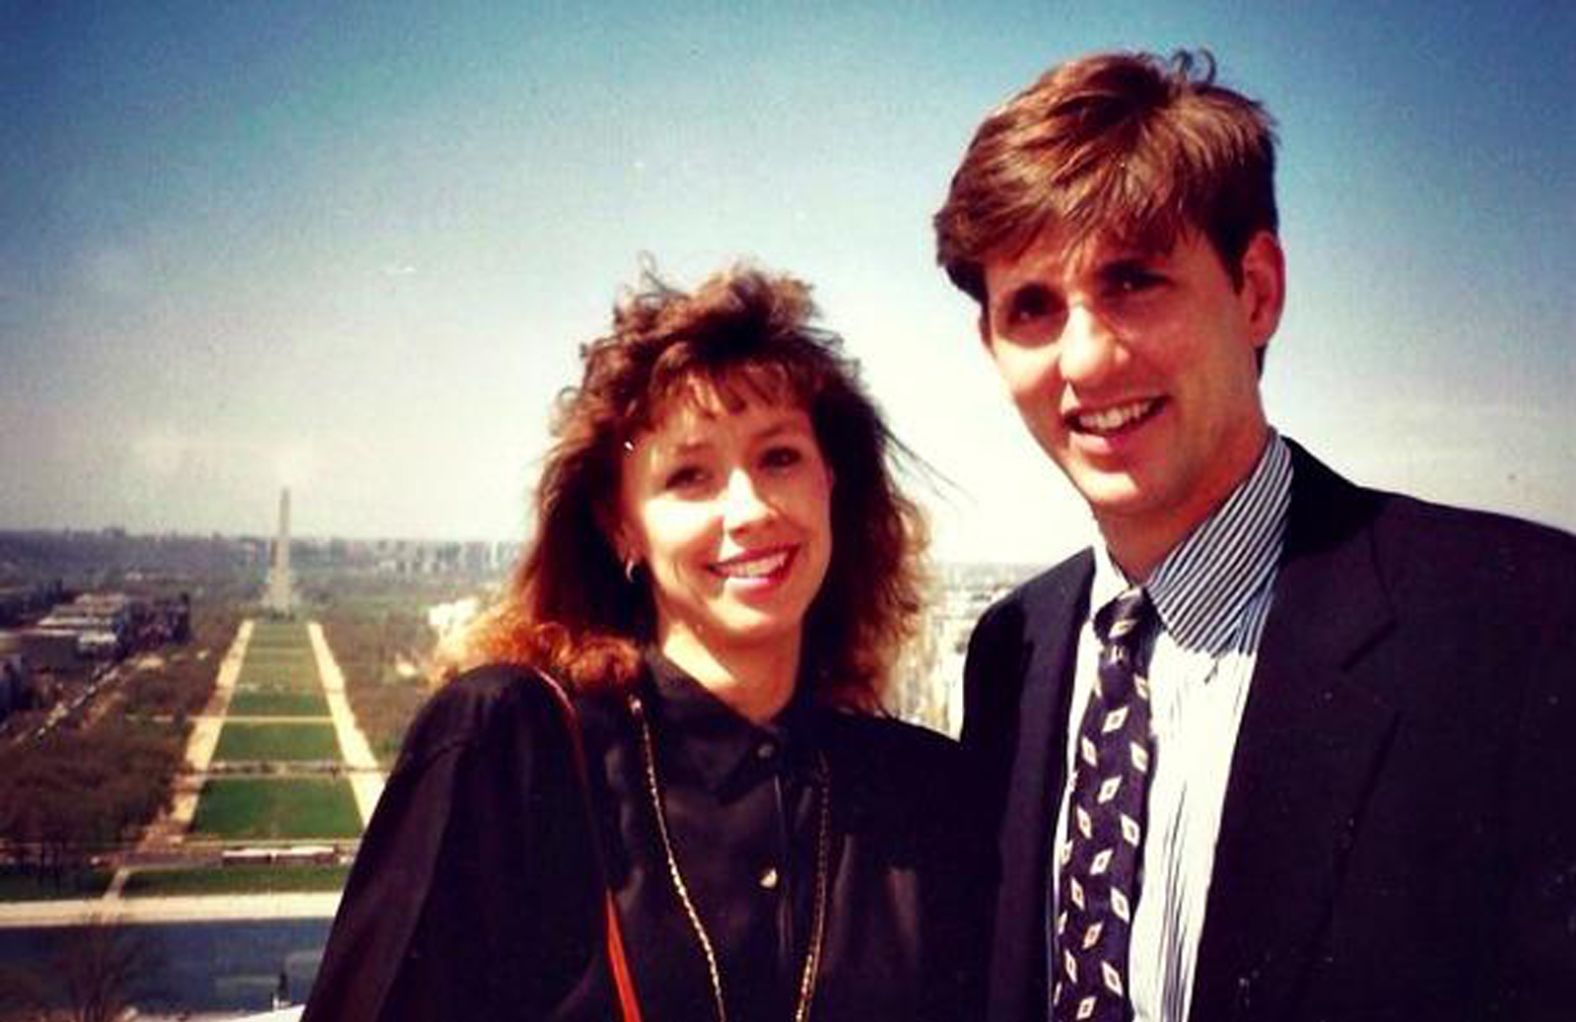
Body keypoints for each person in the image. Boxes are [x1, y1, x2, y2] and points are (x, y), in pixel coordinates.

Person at [933, 49, 1576, 1022]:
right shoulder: (1011, 651)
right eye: (1031, 306)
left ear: (1257, 289)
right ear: (991, 347)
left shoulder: (1522, 624)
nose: (1086, 357)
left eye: (1134, 280)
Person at [302, 265, 987, 1021]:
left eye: (779, 457)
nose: (749, 509)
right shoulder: (513, 752)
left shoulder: (926, 797)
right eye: (690, 476)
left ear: (832, 479)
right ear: (621, 524)